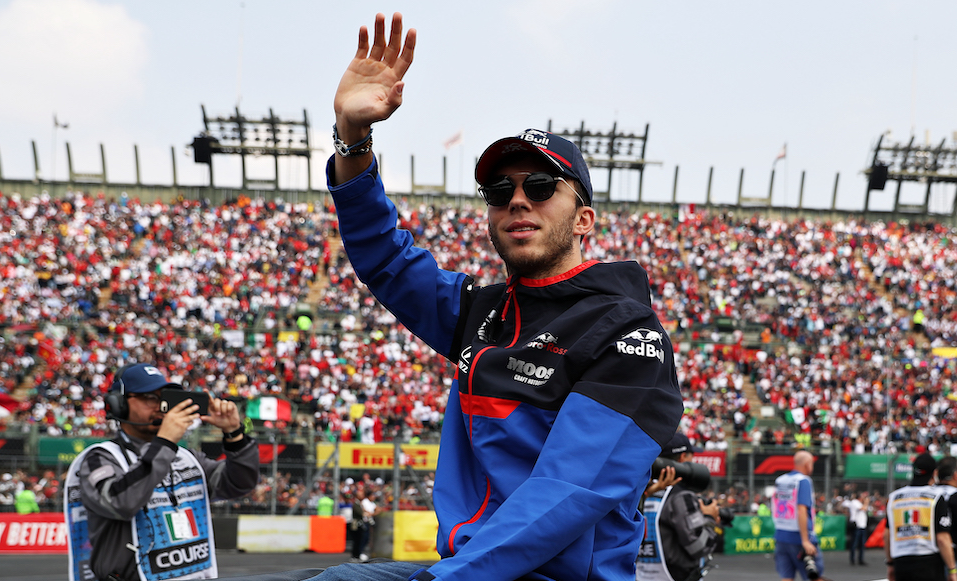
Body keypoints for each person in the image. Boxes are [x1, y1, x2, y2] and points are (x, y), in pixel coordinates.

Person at [227, 11, 683, 581]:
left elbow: (563, 496)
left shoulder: (629, 336)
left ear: (584, 218)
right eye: (500, 190)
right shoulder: (483, 314)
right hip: (468, 568)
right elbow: (386, 258)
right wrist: (352, 135)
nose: (518, 200)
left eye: (540, 187)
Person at [65, 363, 259, 581]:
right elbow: (121, 502)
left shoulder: (186, 457)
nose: (160, 406)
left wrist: (235, 435)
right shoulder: (99, 458)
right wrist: (164, 442)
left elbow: (240, 483)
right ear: (118, 404)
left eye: (164, 397)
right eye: (150, 397)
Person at [637, 433, 722, 581]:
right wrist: (709, 518)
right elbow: (699, 547)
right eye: (692, 455)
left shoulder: (640, 492)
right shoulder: (681, 496)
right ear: (683, 458)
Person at [884, 454, 957, 581]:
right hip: (928, 561)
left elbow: (887, 535)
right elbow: (942, 539)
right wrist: (952, 569)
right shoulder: (936, 497)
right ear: (934, 473)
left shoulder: (894, 497)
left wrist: (890, 564)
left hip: (901, 561)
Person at [772, 451, 822, 581]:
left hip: (781, 535)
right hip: (799, 537)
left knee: (786, 577)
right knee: (813, 576)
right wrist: (805, 540)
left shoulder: (780, 480)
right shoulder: (803, 481)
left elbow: (775, 506)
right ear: (807, 464)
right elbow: (801, 510)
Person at [349, 488, 377, 562]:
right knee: (358, 540)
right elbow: (361, 513)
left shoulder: (360, 503)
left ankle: (357, 554)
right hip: (358, 524)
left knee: (360, 540)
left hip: (360, 524)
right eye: (360, 495)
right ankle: (356, 555)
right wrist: (368, 513)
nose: (362, 496)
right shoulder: (356, 504)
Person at [843, 492, 868, 566]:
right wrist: (866, 502)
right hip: (856, 526)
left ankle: (860, 559)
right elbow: (863, 508)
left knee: (862, 544)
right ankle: (852, 559)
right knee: (854, 543)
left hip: (862, 526)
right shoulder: (855, 502)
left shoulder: (859, 503)